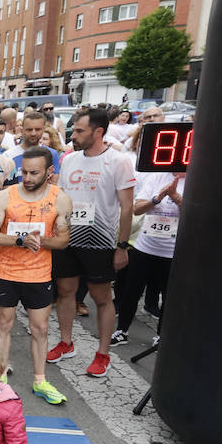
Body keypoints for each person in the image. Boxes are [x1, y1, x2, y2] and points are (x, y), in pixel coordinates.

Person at [48, 108, 137, 378]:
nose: (73, 135)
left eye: (79, 131)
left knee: (101, 298)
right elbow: (61, 200)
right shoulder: (71, 159)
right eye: (73, 130)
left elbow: (127, 207)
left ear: (98, 132)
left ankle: (103, 353)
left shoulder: (119, 161)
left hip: (100, 242)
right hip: (68, 238)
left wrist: (122, 246)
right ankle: (66, 343)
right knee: (65, 292)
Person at [0, 148, 72, 404]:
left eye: (34, 173)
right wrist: (20, 241)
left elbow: (64, 240)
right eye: (24, 172)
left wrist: (41, 241)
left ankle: (40, 381)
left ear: (49, 172)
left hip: (39, 274)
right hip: (7, 272)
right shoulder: (5, 196)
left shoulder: (60, 198)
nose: (28, 177)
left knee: (40, 328)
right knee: (3, 325)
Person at [114, 169, 183, 344]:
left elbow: (196, 214)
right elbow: (137, 209)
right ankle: (122, 330)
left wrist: (174, 196)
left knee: (169, 296)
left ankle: (161, 336)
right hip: (145, 247)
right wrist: (157, 198)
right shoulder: (156, 177)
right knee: (131, 291)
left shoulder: (198, 179)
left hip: (173, 252)